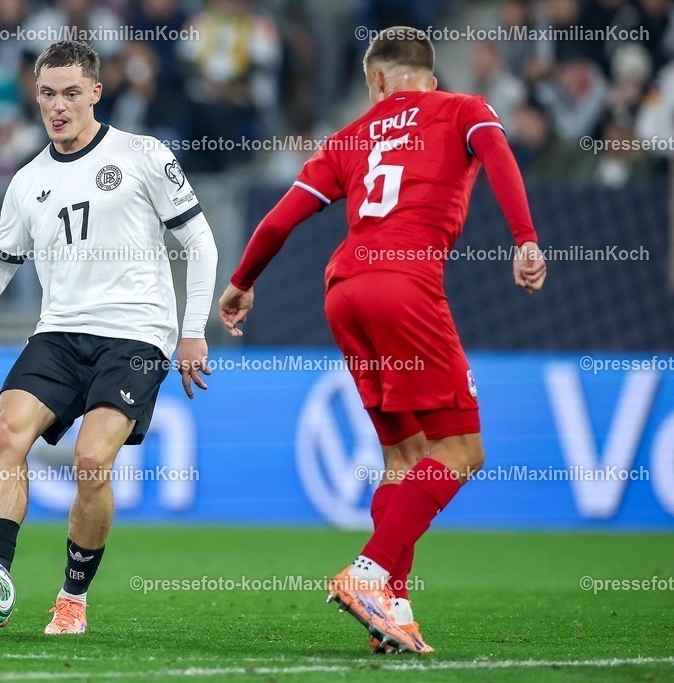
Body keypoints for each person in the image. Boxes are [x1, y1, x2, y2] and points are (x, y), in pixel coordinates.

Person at [218, 26, 546, 654]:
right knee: (461, 451)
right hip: (405, 285)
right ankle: (368, 574)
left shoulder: (349, 137)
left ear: (376, 81)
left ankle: (392, 608)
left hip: (344, 290)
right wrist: (525, 238)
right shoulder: (464, 109)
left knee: (404, 457)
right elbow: (499, 156)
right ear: (428, 72)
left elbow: (281, 217)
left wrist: (241, 283)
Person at [0, 40, 218, 635]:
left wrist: (192, 333)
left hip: (135, 334)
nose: (57, 106)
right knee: (5, 433)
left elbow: (200, 241)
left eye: (69, 93)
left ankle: (72, 597)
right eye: (46, 94)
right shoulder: (27, 180)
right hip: (59, 332)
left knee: (90, 462)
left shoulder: (142, 155)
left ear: (95, 93)